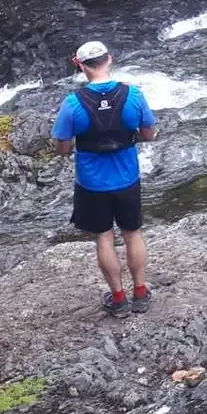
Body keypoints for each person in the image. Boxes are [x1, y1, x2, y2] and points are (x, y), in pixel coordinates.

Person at [51, 40, 158, 318]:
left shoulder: (72, 103)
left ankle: (118, 299)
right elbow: (149, 134)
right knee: (132, 233)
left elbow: (62, 147)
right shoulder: (133, 95)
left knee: (104, 237)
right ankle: (140, 293)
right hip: (127, 177)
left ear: (80, 66)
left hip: (91, 183)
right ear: (109, 59)